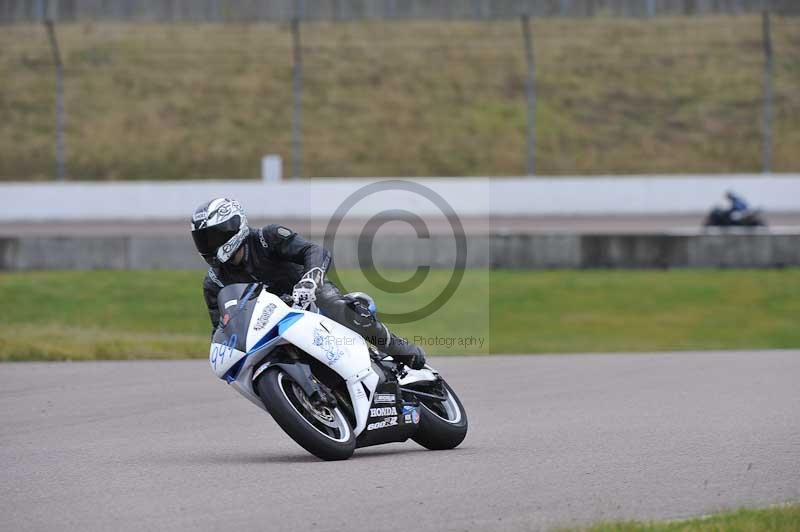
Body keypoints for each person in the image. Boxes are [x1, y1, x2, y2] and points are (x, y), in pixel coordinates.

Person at [190, 197, 426, 369]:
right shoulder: (214, 283)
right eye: (202, 240)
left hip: (309, 296)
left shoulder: (266, 238)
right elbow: (222, 327)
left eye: (213, 237)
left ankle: (397, 348)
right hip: (270, 323)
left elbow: (313, 250)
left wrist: (310, 279)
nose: (208, 245)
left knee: (334, 305)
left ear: (234, 227)